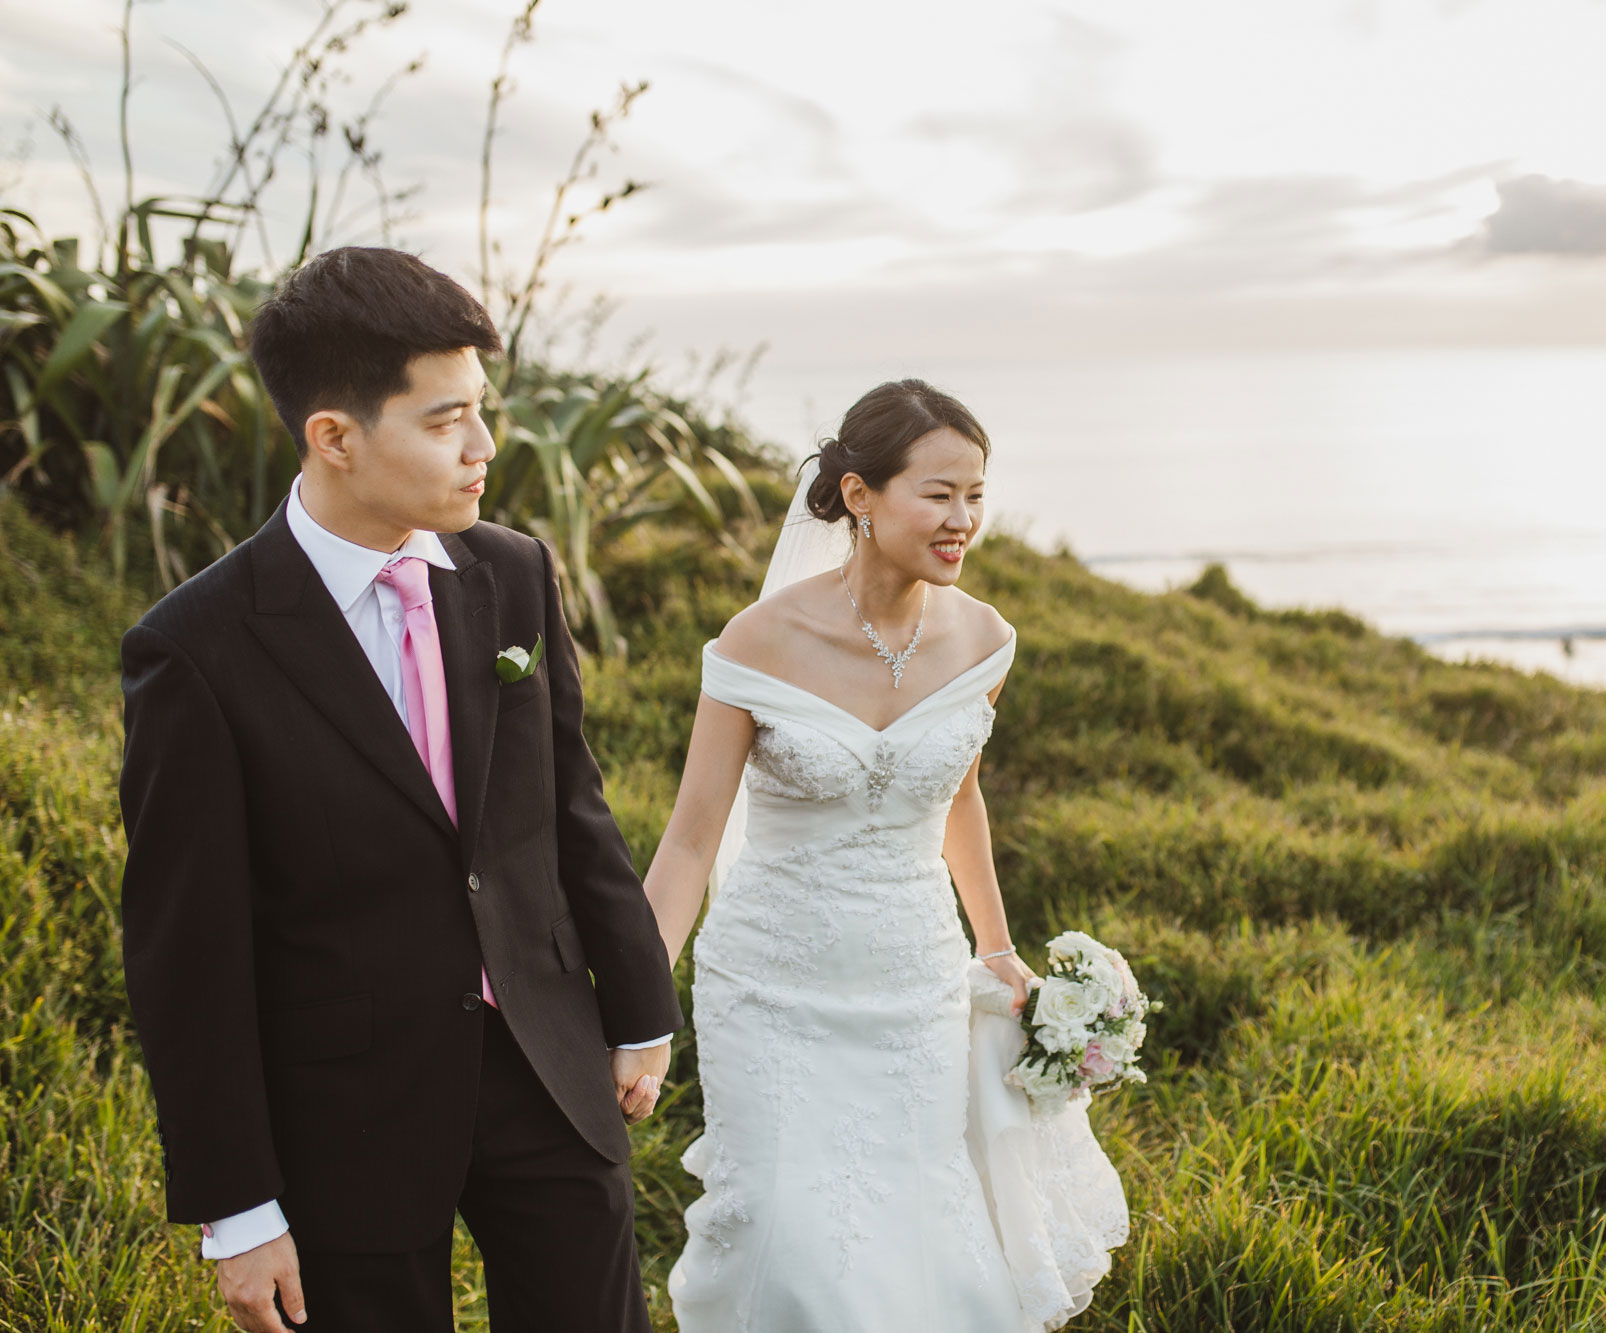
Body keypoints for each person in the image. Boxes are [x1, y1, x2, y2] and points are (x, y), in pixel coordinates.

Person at [117, 246, 679, 1333]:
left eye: (483, 411)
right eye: (443, 421)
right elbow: (187, 951)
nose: (483, 448)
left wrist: (640, 1004)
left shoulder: (514, 573)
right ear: (333, 435)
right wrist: (236, 1207)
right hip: (345, 1111)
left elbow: (571, 808)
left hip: (545, 1064)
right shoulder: (195, 649)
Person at [641, 379, 1128, 1331]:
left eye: (977, 494)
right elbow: (692, 840)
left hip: (912, 977)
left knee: (915, 1225)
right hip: (770, 982)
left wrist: (995, 946)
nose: (964, 520)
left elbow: (961, 801)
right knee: (784, 1223)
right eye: (938, 493)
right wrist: (638, 997)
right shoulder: (759, 641)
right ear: (859, 496)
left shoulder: (984, 638)